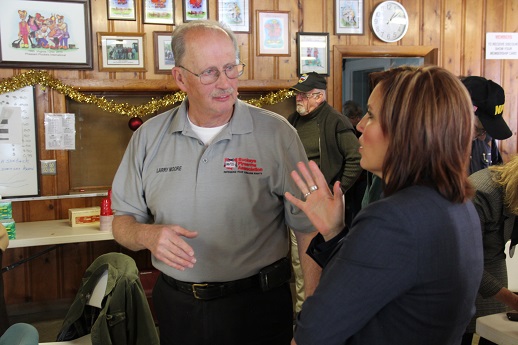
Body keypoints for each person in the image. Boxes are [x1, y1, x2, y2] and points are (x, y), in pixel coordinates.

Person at [110, 20, 320, 345]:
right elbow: (121, 222)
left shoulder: (277, 134)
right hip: (178, 307)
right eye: (209, 72)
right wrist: (146, 234)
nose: (225, 83)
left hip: (259, 306)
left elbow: (309, 229)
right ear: (180, 77)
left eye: (231, 68)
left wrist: (314, 317)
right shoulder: (148, 138)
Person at [285, 65, 484, 345]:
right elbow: (385, 283)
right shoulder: (456, 204)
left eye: (372, 115)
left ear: (406, 131)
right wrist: (334, 233)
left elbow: (314, 332)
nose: (360, 125)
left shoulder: (395, 218)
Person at [287, 72, 361, 313]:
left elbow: (356, 158)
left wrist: (335, 192)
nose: (298, 98)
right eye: (298, 93)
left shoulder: (336, 121)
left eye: (304, 94)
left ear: (319, 96)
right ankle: (303, 315)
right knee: (300, 267)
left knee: (319, 269)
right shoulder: (293, 120)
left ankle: (317, 316)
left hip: (323, 209)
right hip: (297, 206)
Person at [462, 155, 518, 345]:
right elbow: (465, 263)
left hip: (493, 256)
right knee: (462, 326)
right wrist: (514, 301)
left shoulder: (513, 191)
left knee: (496, 325)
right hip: (459, 265)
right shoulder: (480, 193)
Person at [461, 76, 512, 174]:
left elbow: (497, 173)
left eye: (486, 131)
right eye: (479, 130)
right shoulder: (434, 147)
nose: (482, 138)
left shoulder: (487, 139)